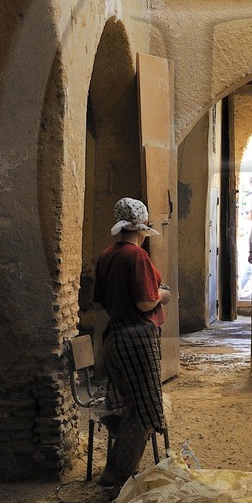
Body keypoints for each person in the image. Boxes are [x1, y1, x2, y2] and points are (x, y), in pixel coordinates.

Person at [91, 197, 171, 488]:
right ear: (143, 226)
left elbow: (100, 304)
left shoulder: (105, 255)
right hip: (136, 339)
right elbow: (145, 302)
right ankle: (117, 476)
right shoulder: (136, 257)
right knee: (143, 410)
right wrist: (162, 295)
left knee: (131, 407)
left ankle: (117, 470)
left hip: (114, 337)